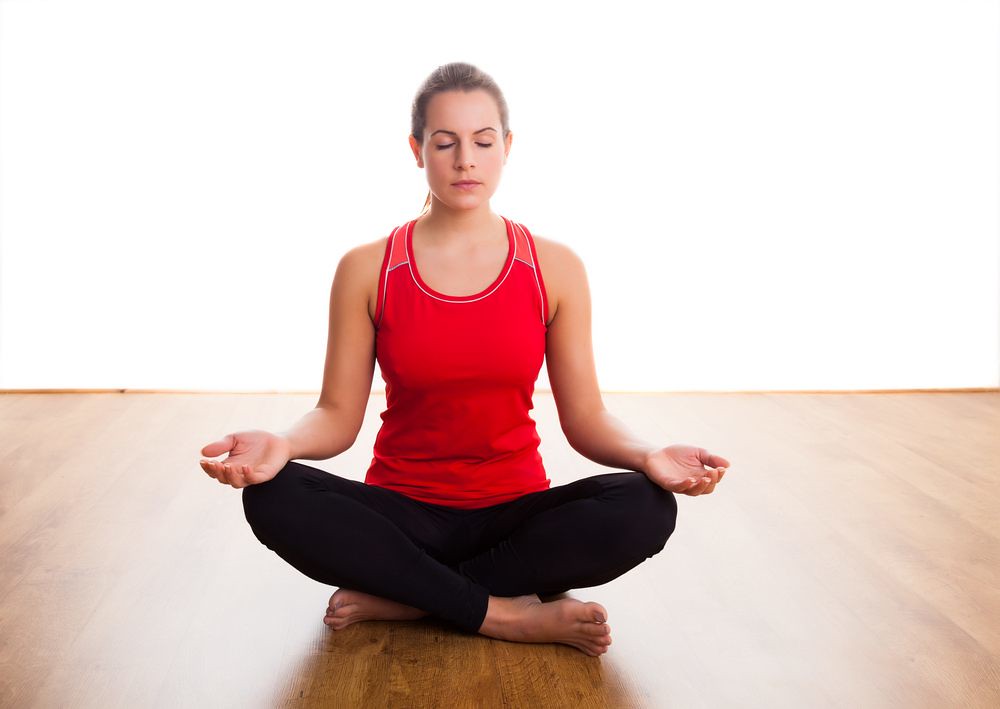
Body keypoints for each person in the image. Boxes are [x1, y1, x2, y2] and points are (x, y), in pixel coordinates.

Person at [198, 62, 731, 658]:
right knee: (272, 495)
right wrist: (283, 444)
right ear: (416, 150)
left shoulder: (552, 267)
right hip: (402, 515)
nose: (465, 160)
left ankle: (414, 598)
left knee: (645, 507)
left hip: (515, 518)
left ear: (507, 147)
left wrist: (648, 455)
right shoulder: (367, 267)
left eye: (482, 142)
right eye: (444, 143)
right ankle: (507, 614)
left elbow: (585, 419)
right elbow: (336, 414)